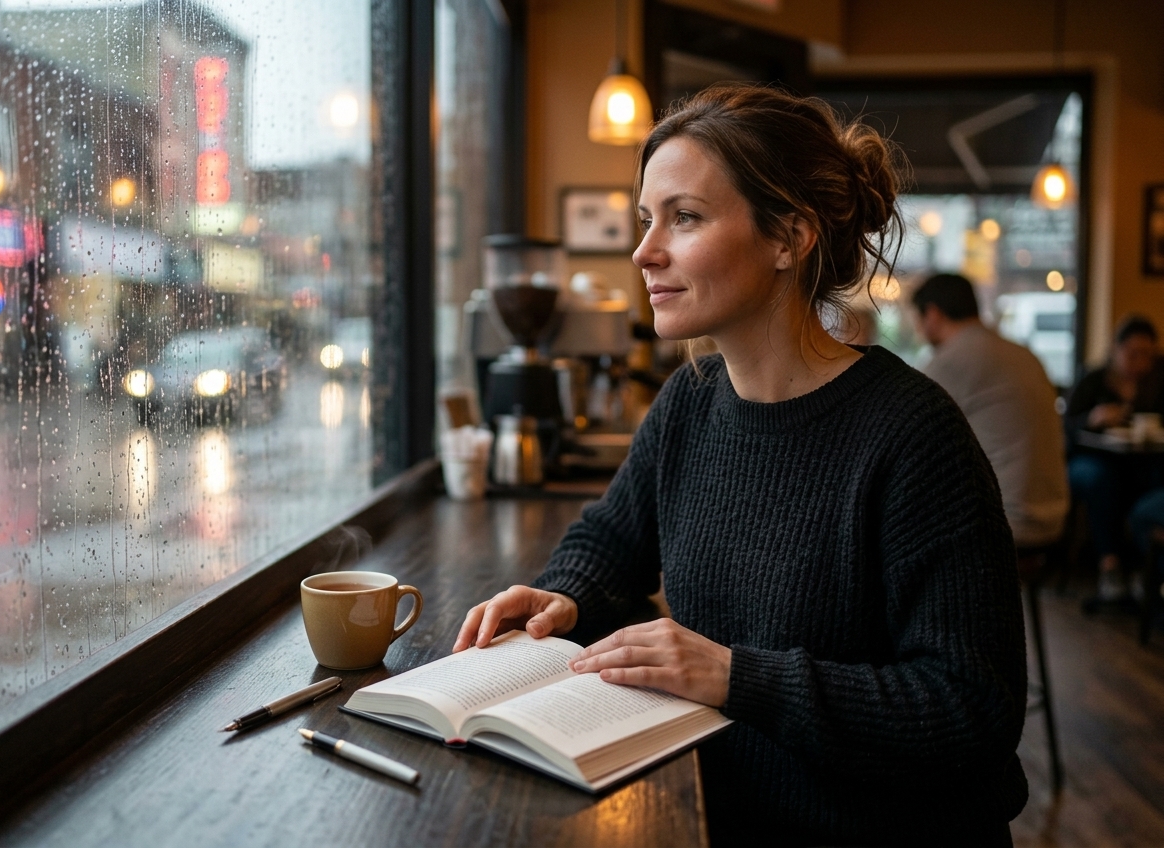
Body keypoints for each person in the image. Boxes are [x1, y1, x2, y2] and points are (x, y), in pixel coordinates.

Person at [454, 84, 1026, 847]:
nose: (644, 251)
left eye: (685, 217)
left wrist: (735, 676)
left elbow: (971, 709)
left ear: (789, 237)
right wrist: (563, 596)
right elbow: (610, 541)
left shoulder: (914, 435)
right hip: (716, 815)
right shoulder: (690, 403)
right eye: (647, 219)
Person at [913, 273, 1069, 549]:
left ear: (933, 315)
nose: (919, 331)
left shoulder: (950, 361)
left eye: (918, 320)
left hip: (1001, 523)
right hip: (1053, 515)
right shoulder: (1024, 354)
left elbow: (910, 438)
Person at [1065, 315, 1163, 599]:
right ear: (1115, 349)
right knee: (1103, 479)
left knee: (1155, 476)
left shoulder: (1156, 383)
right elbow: (1065, 427)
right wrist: (1091, 419)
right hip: (1088, 459)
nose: (1140, 362)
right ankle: (1110, 566)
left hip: (1139, 459)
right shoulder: (1093, 380)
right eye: (1133, 353)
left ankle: (1147, 570)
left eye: (1147, 355)